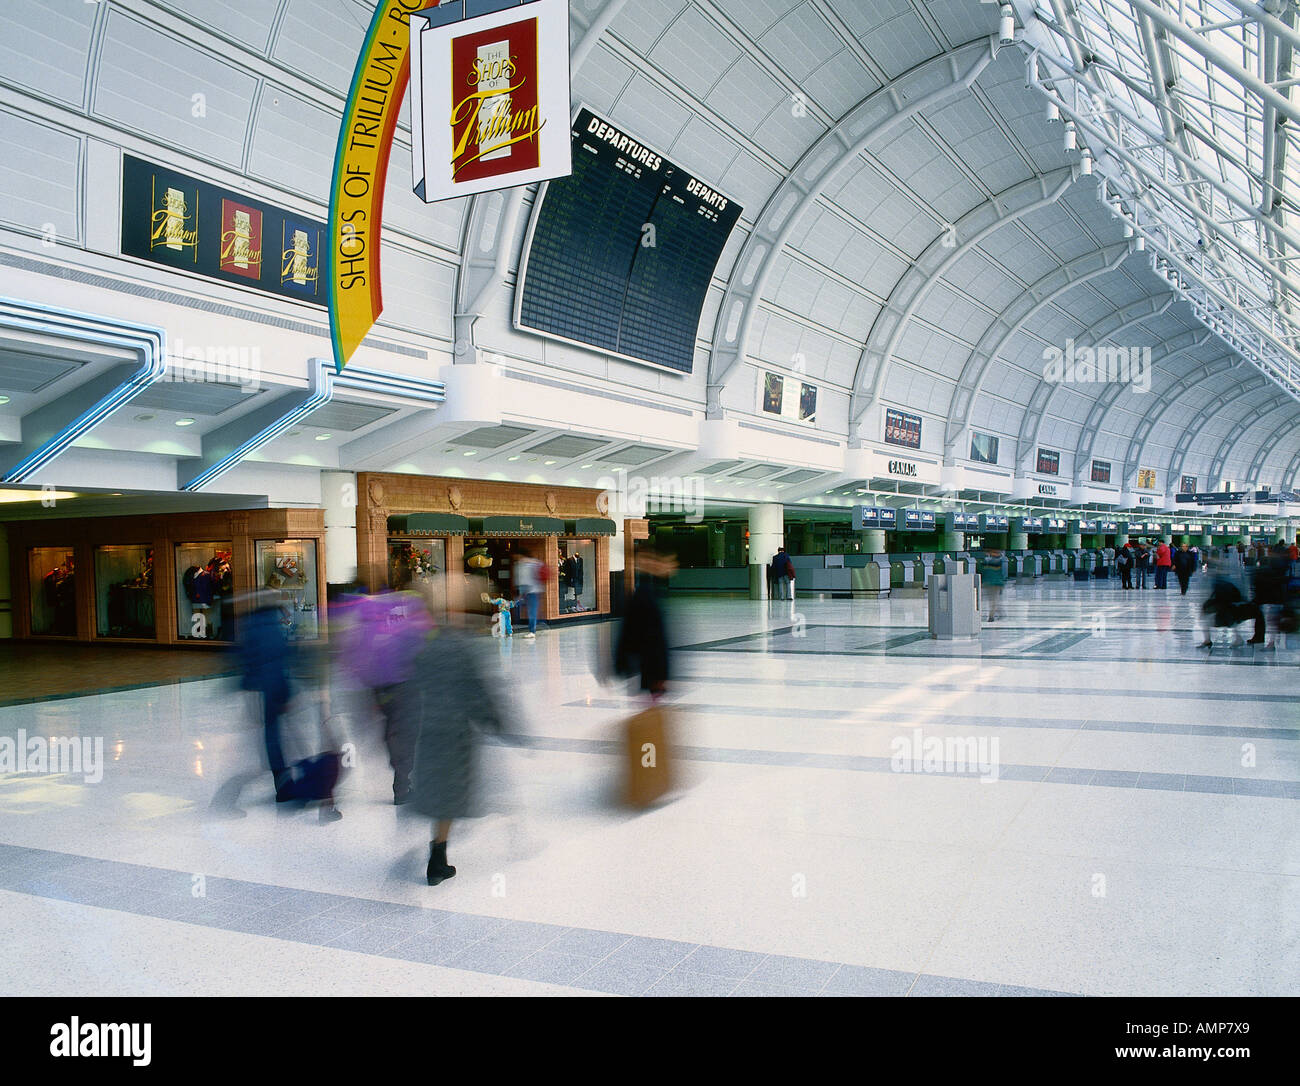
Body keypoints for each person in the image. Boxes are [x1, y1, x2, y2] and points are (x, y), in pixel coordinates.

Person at [397, 578, 509, 886]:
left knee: (440, 791)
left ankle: (438, 851)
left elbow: (411, 684)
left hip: (428, 728)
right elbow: (479, 692)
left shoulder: (428, 645)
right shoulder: (462, 645)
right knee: (451, 795)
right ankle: (438, 857)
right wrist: (497, 721)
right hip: (456, 732)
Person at [615, 550, 675, 699]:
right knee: (651, 710)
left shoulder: (653, 592)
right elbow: (630, 631)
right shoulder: (645, 594)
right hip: (651, 666)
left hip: (651, 666)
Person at [513, 551, 543, 639]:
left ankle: (532, 631)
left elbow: (524, 580)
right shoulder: (535, 563)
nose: (516, 559)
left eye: (517, 556)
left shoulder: (524, 565)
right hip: (533, 590)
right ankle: (534, 627)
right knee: (531, 611)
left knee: (531, 611)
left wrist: (521, 593)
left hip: (530, 591)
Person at [980, 548, 1006, 622]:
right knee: (993, 600)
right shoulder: (990, 561)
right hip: (991, 583)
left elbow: (991, 572)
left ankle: (991, 616)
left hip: (994, 583)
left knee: (993, 600)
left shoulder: (993, 561)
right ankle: (998, 613)